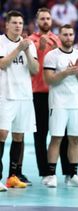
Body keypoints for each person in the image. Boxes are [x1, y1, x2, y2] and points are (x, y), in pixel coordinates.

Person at [43, 24, 78, 188]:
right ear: (59, 36)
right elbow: (48, 80)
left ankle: (73, 175)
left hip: (76, 103)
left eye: (71, 34)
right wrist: (65, 72)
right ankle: (50, 174)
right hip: (58, 103)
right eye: (65, 35)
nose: (68, 37)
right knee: (56, 138)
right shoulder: (51, 56)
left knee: (75, 139)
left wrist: (77, 71)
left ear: (74, 36)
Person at [29, 7, 71, 186]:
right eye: (42, 19)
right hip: (38, 92)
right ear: (37, 21)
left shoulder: (58, 40)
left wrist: (54, 48)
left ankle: (69, 172)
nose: (46, 21)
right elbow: (32, 67)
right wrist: (41, 48)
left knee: (62, 133)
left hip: (58, 93)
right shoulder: (29, 41)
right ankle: (45, 173)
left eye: (48, 18)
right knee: (40, 134)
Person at [0, 10, 39, 191]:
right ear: (6, 24)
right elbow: (3, 63)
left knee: (19, 135)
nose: (17, 26)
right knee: (2, 134)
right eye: (14, 23)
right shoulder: (1, 41)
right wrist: (19, 48)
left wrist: (27, 51)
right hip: (5, 95)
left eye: (20, 23)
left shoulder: (29, 45)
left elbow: (35, 69)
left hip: (24, 95)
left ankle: (13, 177)